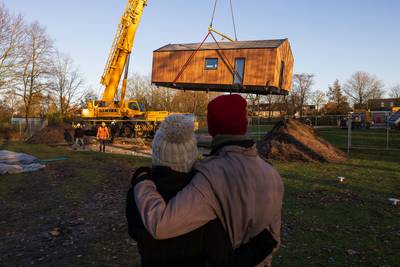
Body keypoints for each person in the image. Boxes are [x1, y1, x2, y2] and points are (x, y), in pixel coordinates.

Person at [134, 95, 284, 266]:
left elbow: (161, 225)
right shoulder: (273, 174)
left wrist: (142, 181)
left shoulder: (209, 175)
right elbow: (273, 238)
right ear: (246, 124)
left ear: (212, 129)